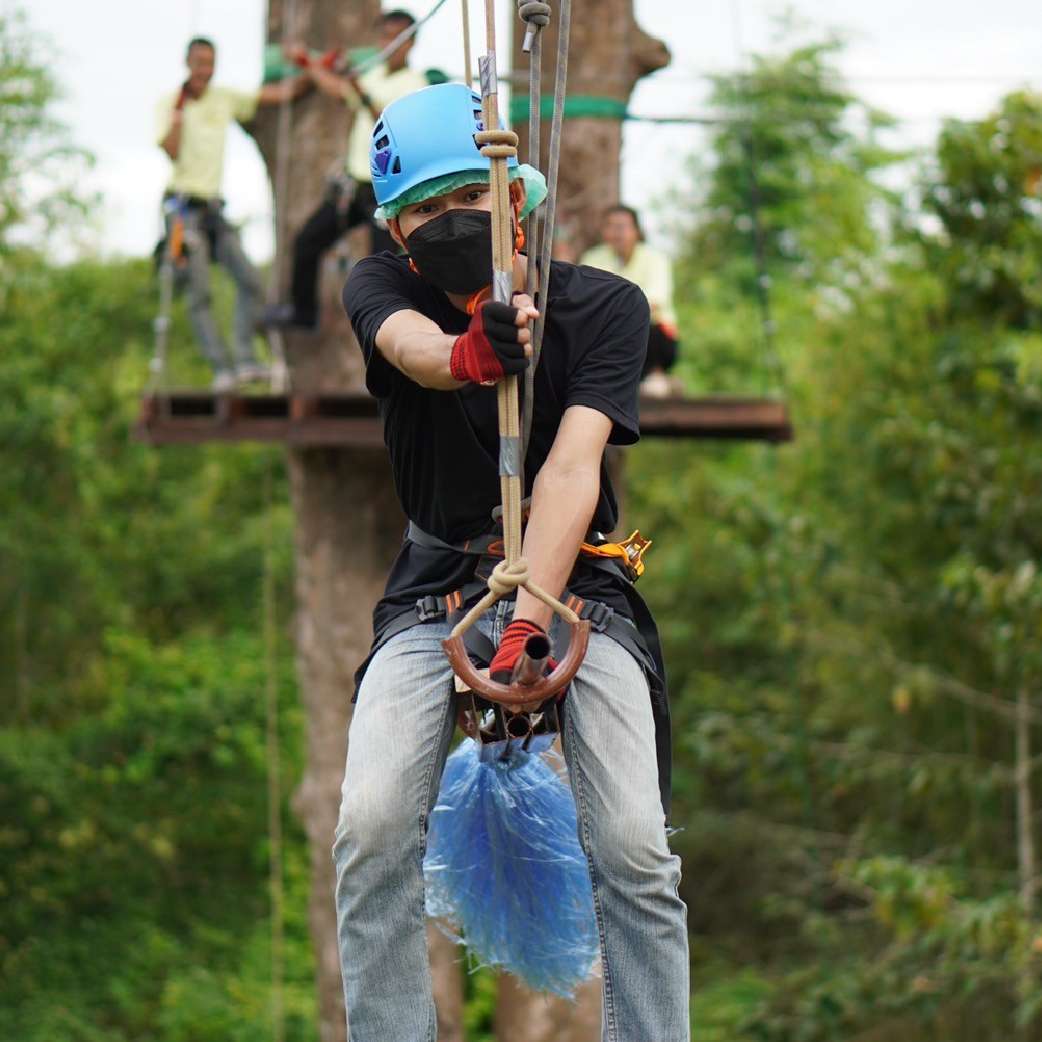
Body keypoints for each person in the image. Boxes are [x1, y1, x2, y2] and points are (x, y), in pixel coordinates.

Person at [335, 82, 690, 1041]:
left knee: (634, 846)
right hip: (432, 593)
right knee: (369, 828)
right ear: (399, 231)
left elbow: (574, 468)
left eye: (469, 202)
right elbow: (406, 346)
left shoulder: (607, 306)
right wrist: (465, 357)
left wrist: (531, 615)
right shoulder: (382, 286)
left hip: (577, 588)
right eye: (427, 213)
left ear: (518, 203)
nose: (450, 224)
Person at [156, 37, 308, 391]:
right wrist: (179, 111)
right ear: (188, 63)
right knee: (200, 293)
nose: (204, 70)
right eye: (199, 63)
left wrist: (308, 72)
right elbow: (171, 150)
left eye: (210, 63)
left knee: (250, 281)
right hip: (182, 208)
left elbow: (278, 95)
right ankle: (221, 368)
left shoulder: (223, 97)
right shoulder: (169, 103)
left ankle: (244, 359)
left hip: (212, 209)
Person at [263, 9, 430, 331]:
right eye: (384, 37)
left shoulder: (415, 83)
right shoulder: (373, 75)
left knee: (382, 263)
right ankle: (304, 314)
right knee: (307, 242)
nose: (389, 44)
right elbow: (338, 89)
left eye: (396, 38)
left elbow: (384, 118)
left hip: (387, 189)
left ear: (410, 43)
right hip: (356, 183)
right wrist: (307, 63)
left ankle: (388, 322)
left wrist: (358, 87)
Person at [580, 203, 681, 395]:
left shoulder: (655, 259)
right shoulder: (592, 258)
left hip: (648, 334)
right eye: (610, 226)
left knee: (650, 327)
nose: (616, 233)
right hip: (607, 332)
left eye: (622, 227)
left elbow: (655, 302)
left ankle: (655, 374)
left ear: (637, 231)